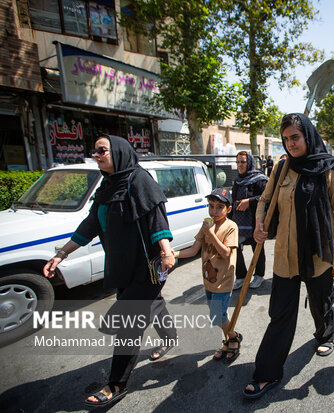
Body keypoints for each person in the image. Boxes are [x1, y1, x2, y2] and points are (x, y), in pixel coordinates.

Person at [43, 135, 176, 407]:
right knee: (153, 304)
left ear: (118, 151)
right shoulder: (107, 186)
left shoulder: (140, 179)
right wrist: (61, 254)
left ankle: (117, 384)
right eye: (95, 152)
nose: (97, 155)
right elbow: (90, 224)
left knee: (127, 325)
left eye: (102, 150)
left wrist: (166, 250)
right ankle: (170, 337)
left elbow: (155, 217)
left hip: (147, 268)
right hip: (121, 268)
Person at [244, 113, 334, 399]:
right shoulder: (282, 168)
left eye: (295, 137)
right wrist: (260, 224)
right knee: (280, 314)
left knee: (321, 304)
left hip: (318, 254)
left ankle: (325, 334)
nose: (290, 144)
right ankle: (267, 372)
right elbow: (266, 201)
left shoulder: (328, 170)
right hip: (286, 256)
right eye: (285, 139)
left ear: (307, 136)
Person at [175, 188, 242, 359]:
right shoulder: (206, 224)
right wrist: (173, 254)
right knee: (218, 315)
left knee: (217, 315)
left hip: (223, 281)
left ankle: (233, 337)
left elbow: (226, 253)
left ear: (228, 209)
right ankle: (228, 340)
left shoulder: (230, 226)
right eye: (211, 206)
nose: (214, 211)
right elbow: (193, 250)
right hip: (208, 281)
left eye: (219, 207)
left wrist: (211, 233)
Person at [231, 151, 268, 290]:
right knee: (235, 248)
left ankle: (259, 275)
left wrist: (250, 201)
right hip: (239, 222)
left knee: (257, 248)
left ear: (250, 163)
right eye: (238, 162)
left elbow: (266, 198)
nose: (240, 165)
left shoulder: (260, 180)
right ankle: (241, 276)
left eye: (243, 162)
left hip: (255, 221)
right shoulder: (237, 181)